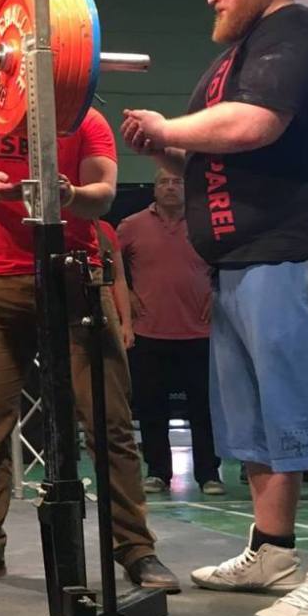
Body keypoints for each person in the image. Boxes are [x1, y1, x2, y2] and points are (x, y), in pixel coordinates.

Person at [121, 0, 308, 616]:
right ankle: (271, 551)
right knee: (261, 424)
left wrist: (167, 126)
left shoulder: (298, 33)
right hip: (240, 260)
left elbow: (254, 127)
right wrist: (163, 147)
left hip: (302, 249)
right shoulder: (231, 60)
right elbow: (209, 159)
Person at [0, 107, 179, 592]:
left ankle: (135, 548)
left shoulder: (86, 121)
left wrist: (68, 195)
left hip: (75, 275)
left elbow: (102, 195)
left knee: (110, 423)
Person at [118, 169, 224, 496]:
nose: (170, 187)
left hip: (200, 332)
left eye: (177, 181)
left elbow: (228, 263)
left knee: (204, 409)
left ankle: (209, 474)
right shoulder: (131, 226)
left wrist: (218, 293)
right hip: (148, 332)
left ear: (187, 187)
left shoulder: (207, 223)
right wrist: (127, 295)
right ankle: (158, 472)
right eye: (163, 182)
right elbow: (109, 265)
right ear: (154, 188)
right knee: (151, 408)